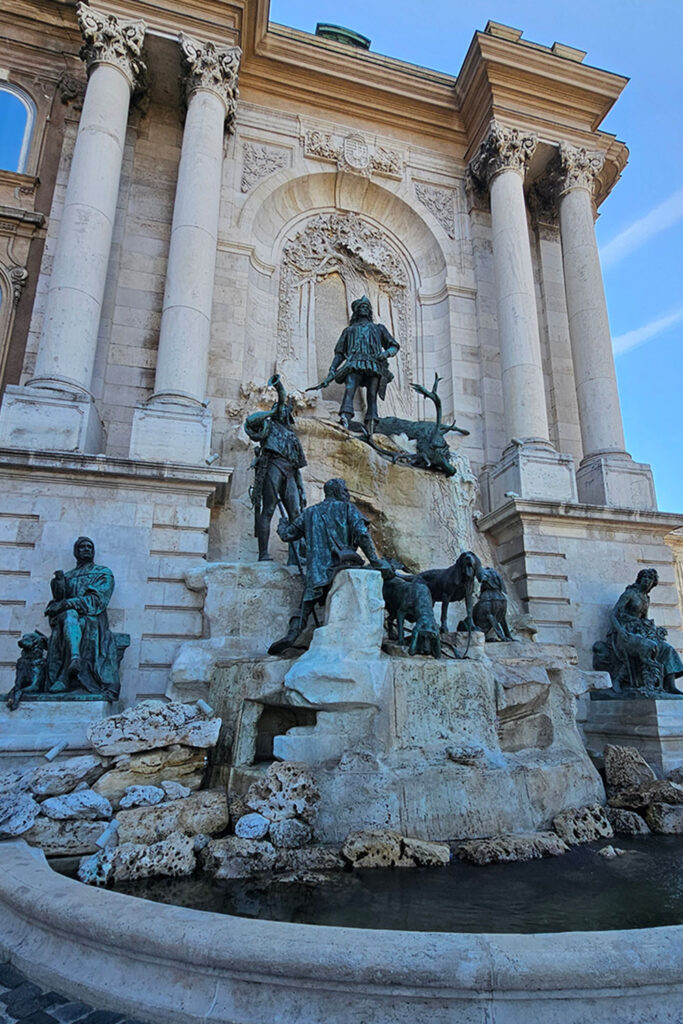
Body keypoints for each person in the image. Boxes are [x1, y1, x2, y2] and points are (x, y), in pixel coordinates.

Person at [268, 478, 391, 655]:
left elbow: (287, 535)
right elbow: (362, 535)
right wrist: (375, 560)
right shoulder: (348, 509)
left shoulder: (310, 513)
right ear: (336, 492)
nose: (347, 494)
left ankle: (293, 633)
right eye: (345, 490)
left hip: (317, 574)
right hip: (341, 566)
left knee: (306, 603)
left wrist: (282, 525)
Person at [44, 536, 124, 700]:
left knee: (72, 615)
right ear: (76, 551)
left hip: (92, 618)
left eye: (89, 547)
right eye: (82, 547)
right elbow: (57, 601)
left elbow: (98, 600)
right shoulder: (68, 576)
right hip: (67, 621)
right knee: (70, 616)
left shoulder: (102, 573)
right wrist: (58, 584)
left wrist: (67, 603)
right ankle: (74, 659)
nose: (86, 549)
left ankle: (66, 675)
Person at [311, 296, 399, 433]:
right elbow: (339, 353)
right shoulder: (349, 331)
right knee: (350, 388)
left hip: (374, 364)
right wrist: (332, 370)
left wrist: (385, 354)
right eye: (361, 307)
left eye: (366, 307)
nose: (363, 309)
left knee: (372, 393)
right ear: (356, 311)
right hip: (354, 363)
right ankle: (345, 416)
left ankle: (372, 421)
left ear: (369, 311)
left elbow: (394, 346)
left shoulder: (379, 328)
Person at [244, 374, 307, 563]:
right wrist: (272, 412)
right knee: (269, 509)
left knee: (296, 514)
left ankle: (294, 558)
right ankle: (263, 554)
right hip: (273, 467)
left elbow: (297, 466)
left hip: (290, 473)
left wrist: (301, 487)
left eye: (286, 410)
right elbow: (249, 422)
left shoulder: (291, 435)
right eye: (281, 409)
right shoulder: (268, 426)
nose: (284, 411)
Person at [597, 567, 683, 695]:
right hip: (625, 633)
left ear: (653, 583)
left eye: (650, 579)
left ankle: (670, 685)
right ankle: (619, 680)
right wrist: (620, 631)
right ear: (639, 579)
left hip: (640, 632)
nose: (647, 581)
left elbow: (644, 619)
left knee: (667, 649)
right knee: (645, 647)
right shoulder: (630, 594)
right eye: (645, 578)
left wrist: (653, 630)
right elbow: (613, 615)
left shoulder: (646, 598)